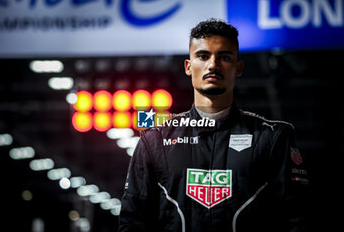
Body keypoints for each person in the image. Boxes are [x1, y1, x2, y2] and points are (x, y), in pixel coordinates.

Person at [118, 18, 309, 232]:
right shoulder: (154, 140)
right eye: (203, 56)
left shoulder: (273, 138)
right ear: (189, 67)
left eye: (224, 57)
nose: (213, 64)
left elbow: (296, 219)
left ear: (238, 68)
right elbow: (132, 222)